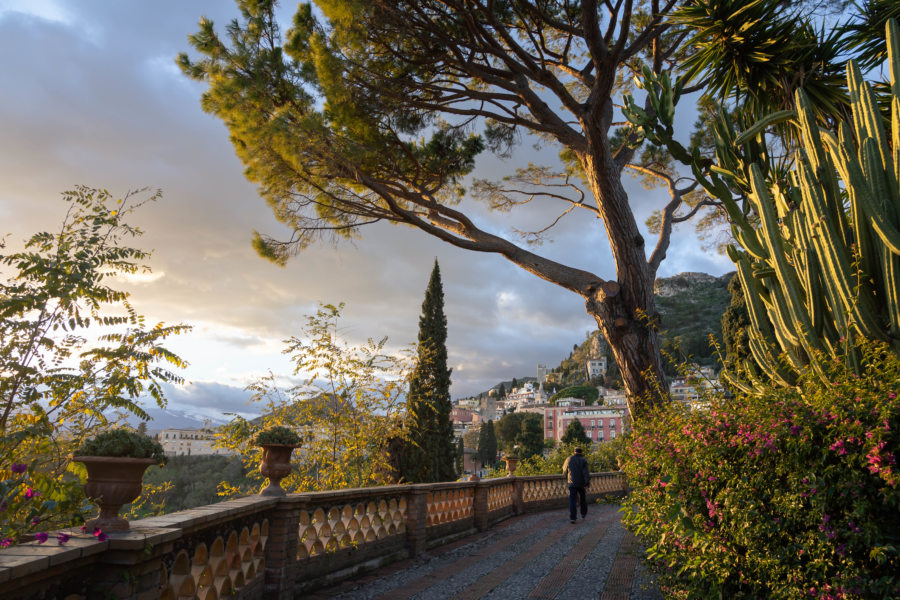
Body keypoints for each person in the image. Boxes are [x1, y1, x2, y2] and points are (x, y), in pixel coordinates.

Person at [562, 447, 589, 523]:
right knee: (583, 499)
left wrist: (566, 476)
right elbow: (586, 473)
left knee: (572, 500)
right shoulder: (584, 460)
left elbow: (564, 470)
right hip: (581, 483)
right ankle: (583, 513)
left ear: (574, 452)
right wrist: (586, 483)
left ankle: (573, 517)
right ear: (581, 452)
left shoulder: (569, 459)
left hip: (572, 483)